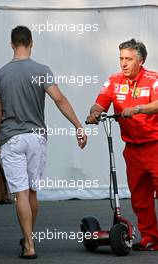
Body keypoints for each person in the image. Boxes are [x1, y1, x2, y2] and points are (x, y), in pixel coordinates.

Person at [0, 25, 87, 259]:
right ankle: (28, 238)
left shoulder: (0, 74)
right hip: (36, 138)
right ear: (31, 43)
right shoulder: (41, 70)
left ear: (11, 44)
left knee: (20, 194)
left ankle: (30, 245)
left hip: (11, 139)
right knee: (32, 191)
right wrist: (78, 126)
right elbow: (59, 99)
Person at [86, 38, 158, 251]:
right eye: (121, 59)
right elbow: (100, 102)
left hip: (155, 145)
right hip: (133, 149)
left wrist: (138, 109)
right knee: (140, 197)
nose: (123, 63)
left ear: (141, 60)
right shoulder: (114, 80)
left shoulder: (153, 79)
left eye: (128, 59)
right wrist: (95, 113)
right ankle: (149, 237)